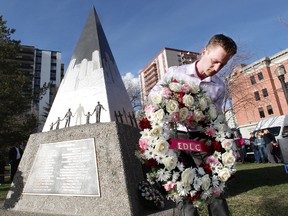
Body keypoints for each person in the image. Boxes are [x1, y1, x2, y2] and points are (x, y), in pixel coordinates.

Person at [149, 34, 237, 216]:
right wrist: (170, 98)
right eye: (214, 61)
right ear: (204, 52)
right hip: (175, 137)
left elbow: (217, 116)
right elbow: (153, 95)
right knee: (183, 189)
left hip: (201, 138)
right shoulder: (175, 72)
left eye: (223, 64)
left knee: (215, 186)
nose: (217, 68)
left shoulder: (219, 86)